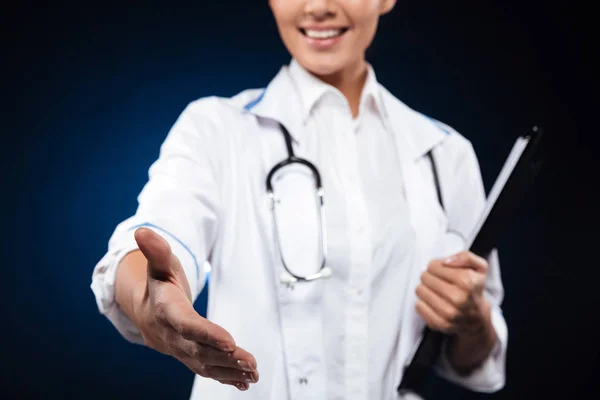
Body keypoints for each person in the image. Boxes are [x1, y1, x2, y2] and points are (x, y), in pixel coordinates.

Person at [90, 1, 507, 399]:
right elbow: (156, 239)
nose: (318, 6)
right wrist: (153, 300)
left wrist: (473, 321)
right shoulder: (216, 129)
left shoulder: (444, 153)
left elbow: (476, 359)